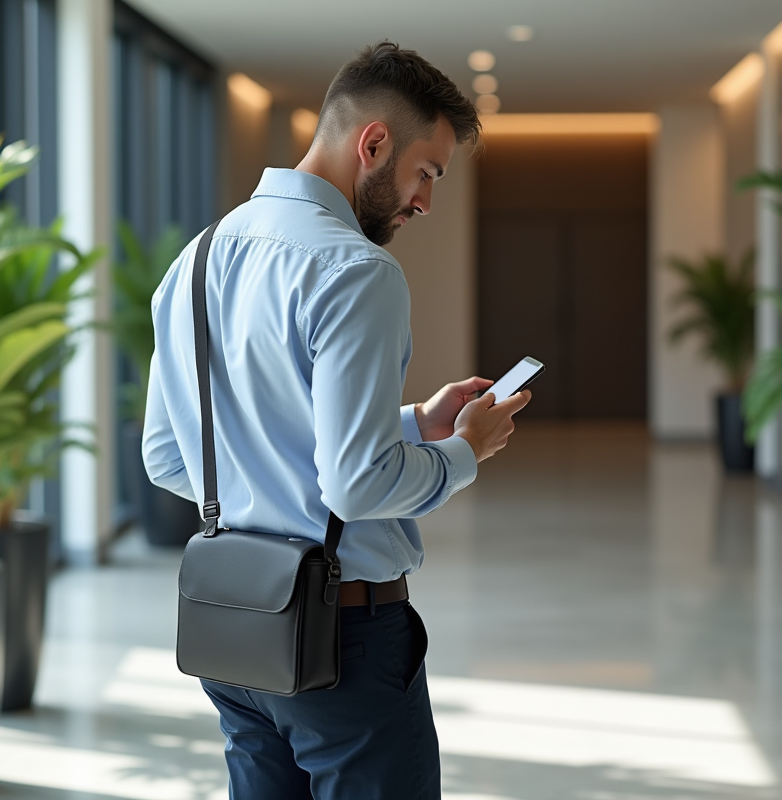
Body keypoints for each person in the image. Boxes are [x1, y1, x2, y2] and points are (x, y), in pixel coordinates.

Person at [143, 41, 530, 799]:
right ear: (374, 143)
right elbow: (354, 487)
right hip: (344, 643)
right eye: (427, 172)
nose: (425, 202)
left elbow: (170, 455)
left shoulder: (195, 260)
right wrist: (465, 450)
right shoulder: (358, 271)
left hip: (237, 631)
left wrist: (414, 422)